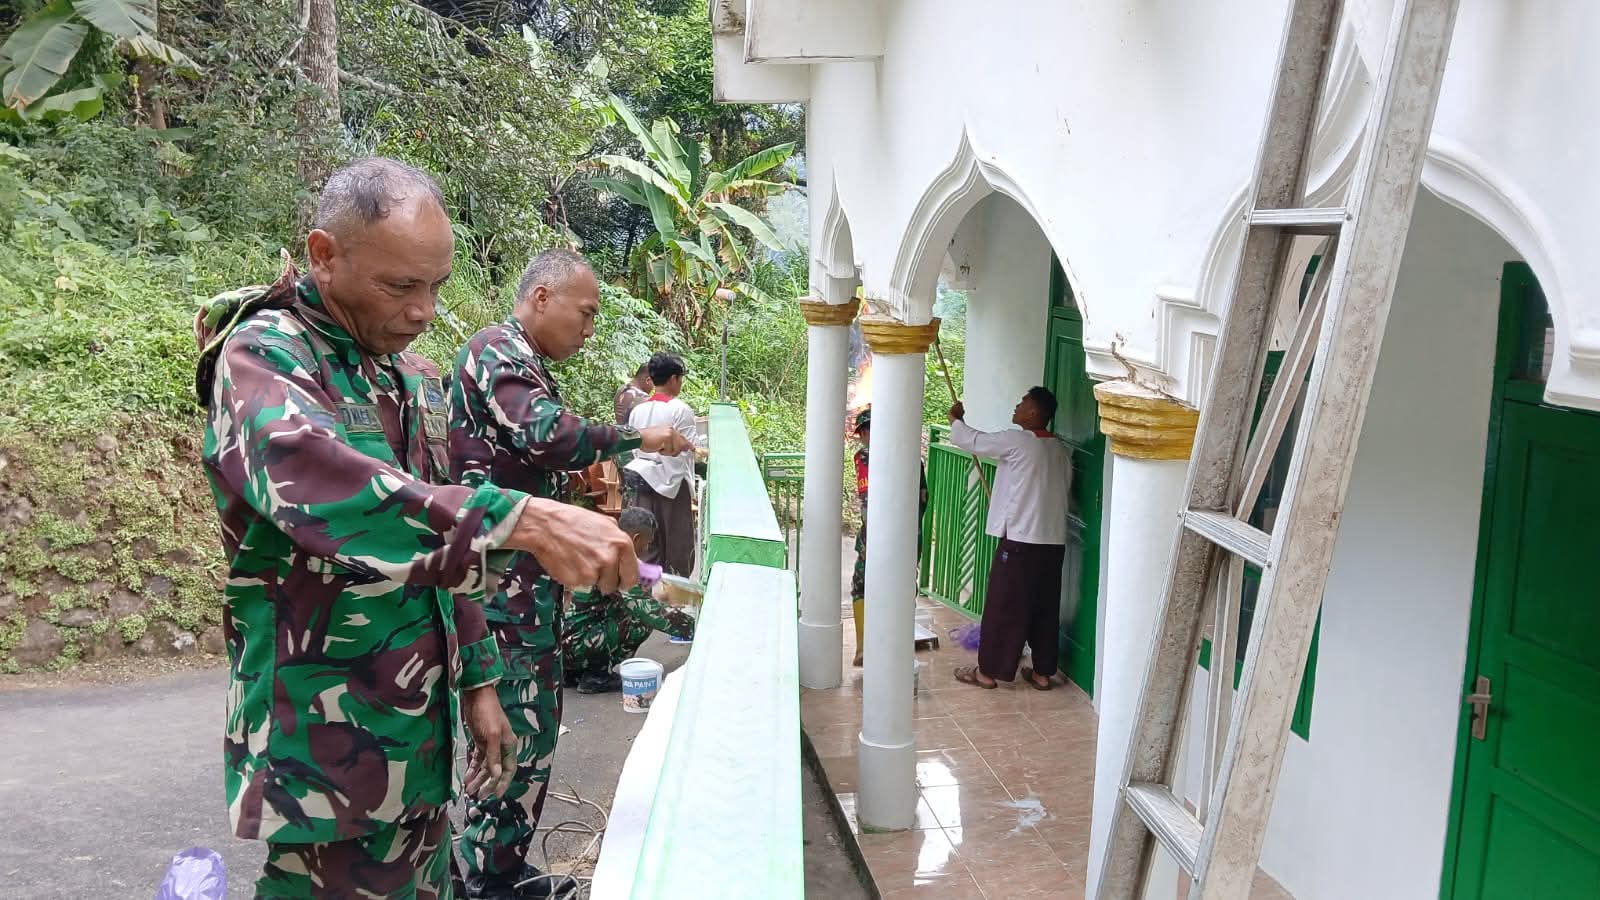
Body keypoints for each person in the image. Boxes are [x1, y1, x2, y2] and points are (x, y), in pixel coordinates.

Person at [194, 157, 638, 900]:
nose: (424, 310)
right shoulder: (266, 357)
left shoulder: (403, 376)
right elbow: (318, 483)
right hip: (324, 743)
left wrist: (480, 682)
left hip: (417, 733)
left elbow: (437, 540)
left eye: (436, 285)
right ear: (325, 256)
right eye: (400, 286)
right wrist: (520, 516)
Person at [448, 248, 691, 899]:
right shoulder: (495, 351)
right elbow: (549, 436)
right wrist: (639, 439)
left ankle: (504, 869)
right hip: (497, 589)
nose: (588, 329)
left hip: (526, 589)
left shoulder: (522, 363)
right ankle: (482, 880)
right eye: (585, 314)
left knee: (530, 736)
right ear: (543, 297)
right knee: (509, 738)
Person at [947, 387, 1072, 691]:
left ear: (1033, 413)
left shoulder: (1018, 441)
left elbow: (972, 440)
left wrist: (955, 420)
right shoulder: (1060, 451)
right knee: (1044, 607)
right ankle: (1042, 673)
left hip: (1020, 541)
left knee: (1004, 606)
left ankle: (988, 672)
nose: (1017, 407)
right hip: (1053, 541)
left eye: (1022, 403)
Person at [561, 507, 697, 693]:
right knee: (639, 621)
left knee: (618, 608)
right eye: (647, 543)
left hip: (560, 645)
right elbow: (649, 611)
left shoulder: (601, 545)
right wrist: (698, 628)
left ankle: (574, 673)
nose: (647, 549)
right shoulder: (617, 560)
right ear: (635, 538)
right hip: (577, 644)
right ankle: (596, 677)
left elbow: (647, 580)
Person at [848, 405, 928, 667]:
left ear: (869, 431)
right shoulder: (913, 459)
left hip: (876, 539)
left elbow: (869, 500)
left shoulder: (865, 458)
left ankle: (863, 648)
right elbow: (923, 501)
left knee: (862, 586)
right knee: (904, 589)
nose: (862, 438)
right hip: (908, 538)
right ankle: (898, 649)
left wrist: (874, 540)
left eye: (863, 432)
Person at [624, 352, 706, 576]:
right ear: (673, 379)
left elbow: (634, 446)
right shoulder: (680, 410)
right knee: (678, 546)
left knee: (647, 543)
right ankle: (674, 601)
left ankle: (649, 598)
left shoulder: (638, 410)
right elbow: (692, 450)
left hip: (642, 481)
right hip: (672, 485)